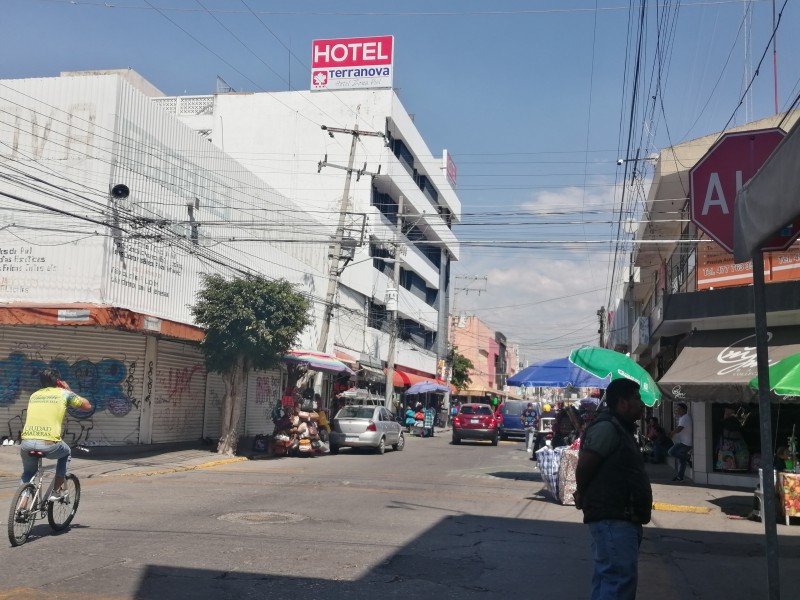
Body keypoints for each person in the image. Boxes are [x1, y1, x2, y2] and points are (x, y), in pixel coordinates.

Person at [574, 378, 652, 600]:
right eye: (637, 398)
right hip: (613, 517)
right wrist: (581, 493)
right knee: (618, 581)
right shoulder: (608, 428)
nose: (641, 404)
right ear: (623, 402)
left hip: (621, 517)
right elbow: (586, 464)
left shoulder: (621, 428)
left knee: (609, 579)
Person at [19, 369, 92, 500]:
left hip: (27, 443)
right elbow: (87, 406)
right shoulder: (64, 394)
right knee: (66, 452)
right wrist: (68, 389)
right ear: (58, 381)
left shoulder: (34, 395)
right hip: (49, 444)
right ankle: (56, 492)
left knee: (29, 473)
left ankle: (22, 505)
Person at [668, 403, 693, 482]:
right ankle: (680, 477)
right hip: (686, 442)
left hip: (684, 443)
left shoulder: (685, 418)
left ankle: (687, 457)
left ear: (684, 410)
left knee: (671, 452)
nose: (677, 410)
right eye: (677, 409)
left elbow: (679, 429)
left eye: (679, 409)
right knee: (682, 461)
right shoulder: (684, 418)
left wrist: (671, 433)